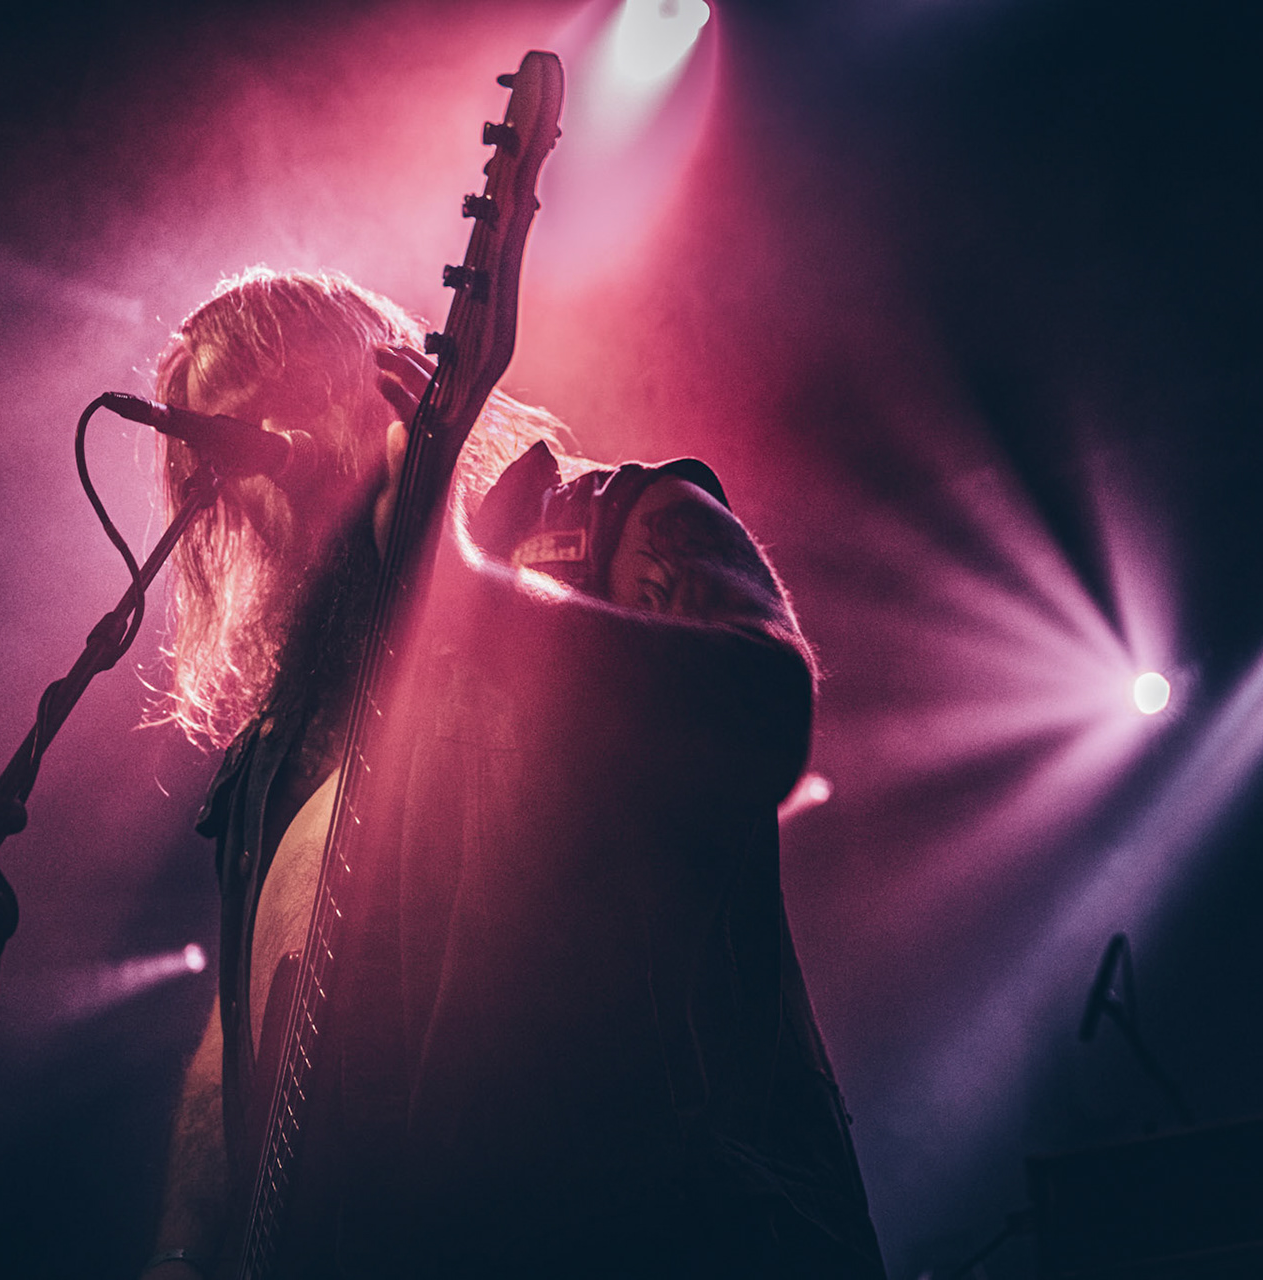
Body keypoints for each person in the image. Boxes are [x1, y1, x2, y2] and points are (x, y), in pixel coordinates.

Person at [143, 268, 884, 1279]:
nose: (254, 482)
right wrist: (185, 1251)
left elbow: (763, 712)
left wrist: (471, 598)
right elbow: (240, 1040)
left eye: (270, 423)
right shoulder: (280, 745)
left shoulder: (608, 528)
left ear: (373, 388)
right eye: (217, 458)